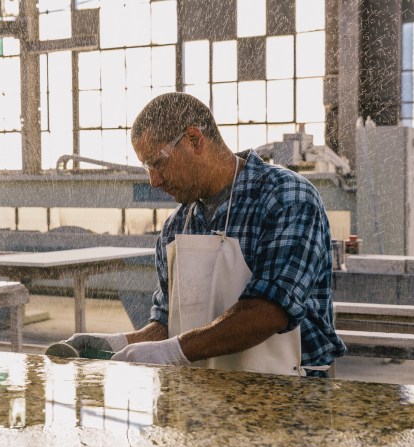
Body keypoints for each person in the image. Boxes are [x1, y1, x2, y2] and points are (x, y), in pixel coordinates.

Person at [65, 92, 346, 376]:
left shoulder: (285, 197)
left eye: (157, 163)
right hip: (201, 398)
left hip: (288, 396)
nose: (153, 181)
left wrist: (171, 352)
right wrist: (116, 343)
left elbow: (269, 311)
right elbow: (167, 323)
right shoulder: (178, 227)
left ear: (194, 140)